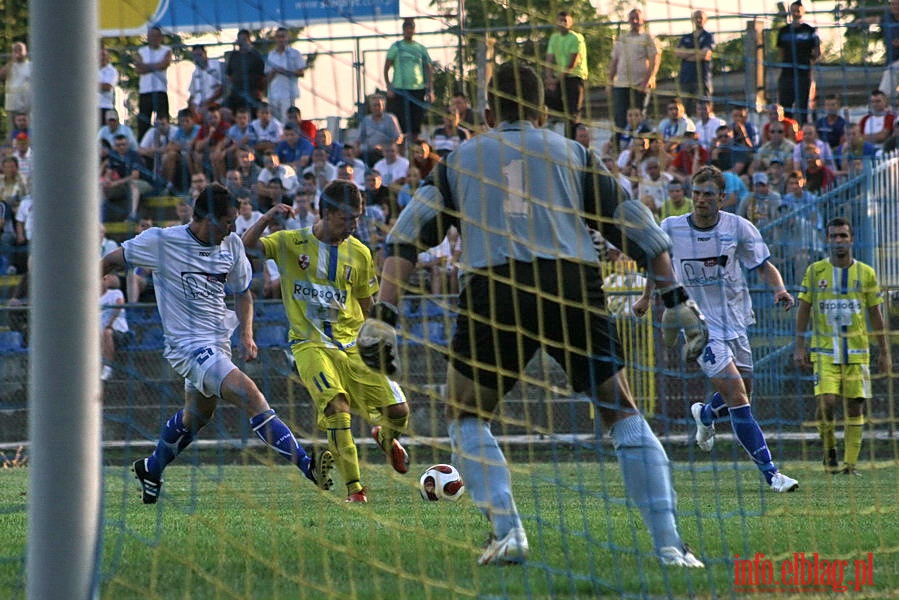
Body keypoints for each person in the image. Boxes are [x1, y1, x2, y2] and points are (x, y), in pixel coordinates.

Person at [362, 61, 708, 567]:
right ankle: (670, 546)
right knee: (620, 410)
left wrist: (385, 314)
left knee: (465, 413)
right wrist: (675, 299)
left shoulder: (458, 161)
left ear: (486, 111)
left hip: (494, 284)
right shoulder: (574, 153)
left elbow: (405, 239)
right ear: (545, 111)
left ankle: (508, 533)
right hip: (572, 282)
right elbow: (638, 226)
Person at [100, 184, 334, 504]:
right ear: (207, 219)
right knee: (251, 395)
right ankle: (309, 466)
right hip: (185, 345)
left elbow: (243, 294)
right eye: (227, 221)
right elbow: (110, 260)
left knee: (196, 416)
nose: (232, 228)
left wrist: (247, 335)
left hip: (217, 343)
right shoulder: (162, 241)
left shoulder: (232, 245)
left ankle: (151, 468)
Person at [242, 180, 411, 503]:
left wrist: (378, 339)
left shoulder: (359, 253)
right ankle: (355, 490)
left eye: (357, 218)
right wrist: (266, 219)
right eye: (347, 218)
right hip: (311, 345)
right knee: (337, 407)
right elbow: (247, 247)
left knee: (398, 410)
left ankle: (386, 439)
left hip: (352, 345)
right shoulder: (292, 242)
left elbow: (365, 303)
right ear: (327, 213)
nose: (354, 225)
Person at [634, 165, 799, 494]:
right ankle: (772, 474)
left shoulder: (738, 227)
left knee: (743, 393)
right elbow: (657, 261)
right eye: (696, 192)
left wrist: (779, 289)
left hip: (736, 320)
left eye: (708, 194)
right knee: (738, 395)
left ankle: (707, 415)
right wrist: (646, 297)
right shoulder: (671, 227)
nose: (700, 199)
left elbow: (763, 265)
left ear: (722, 197)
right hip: (699, 325)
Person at [793, 217, 890, 476]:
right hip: (824, 352)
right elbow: (804, 308)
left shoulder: (866, 273)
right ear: (827, 240)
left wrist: (884, 351)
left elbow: (876, 314)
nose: (838, 241)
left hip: (857, 352)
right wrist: (799, 347)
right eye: (834, 236)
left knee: (856, 405)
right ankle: (829, 450)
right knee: (826, 402)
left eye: (843, 236)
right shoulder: (815, 271)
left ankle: (849, 464)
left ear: (851, 239)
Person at [608, 8, 660, 140]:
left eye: (637, 18)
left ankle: (639, 146)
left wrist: (648, 80)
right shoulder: (621, 38)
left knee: (638, 117)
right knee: (620, 117)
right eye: (632, 18)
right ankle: (620, 146)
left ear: (643, 20)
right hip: (621, 84)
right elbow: (614, 61)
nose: (635, 21)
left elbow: (655, 60)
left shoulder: (648, 37)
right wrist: (609, 81)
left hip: (639, 84)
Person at [383, 18, 433, 138]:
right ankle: (402, 150)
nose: (409, 31)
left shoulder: (420, 48)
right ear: (403, 30)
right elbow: (386, 68)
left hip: (417, 89)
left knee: (416, 123)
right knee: (402, 125)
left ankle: (415, 150)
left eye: (411, 28)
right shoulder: (396, 47)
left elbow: (429, 69)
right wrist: (389, 86)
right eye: (407, 28)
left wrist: (431, 90)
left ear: (414, 30)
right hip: (400, 89)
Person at [544, 11, 588, 138]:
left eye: (565, 21)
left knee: (572, 115)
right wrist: (549, 78)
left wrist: (555, 80)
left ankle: (571, 141)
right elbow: (549, 59)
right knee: (547, 98)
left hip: (574, 77)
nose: (562, 23)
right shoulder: (554, 38)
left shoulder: (576, 38)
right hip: (559, 79)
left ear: (571, 22)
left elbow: (571, 64)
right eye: (560, 20)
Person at [776, 1, 820, 122]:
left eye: (798, 11)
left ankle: (803, 130)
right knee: (786, 105)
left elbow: (817, 52)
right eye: (793, 10)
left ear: (803, 12)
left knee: (803, 105)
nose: (795, 13)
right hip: (787, 74)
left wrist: (808, 63)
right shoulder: (784, 31)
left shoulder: (810, 31)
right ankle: (788, 130)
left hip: (804, 74)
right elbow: (781, 51)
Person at [134, 26, 172, 141]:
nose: (154, 39)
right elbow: (138, 69)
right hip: (145, 92)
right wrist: (156, 66)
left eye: (157, 36)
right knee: (143, 124)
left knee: (163, 122)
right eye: (152, 36)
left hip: (160, 91)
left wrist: (146, 66)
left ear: (161, 37)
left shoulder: (166, 50)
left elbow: (164, 64)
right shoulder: (141, 51)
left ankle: (166, 144)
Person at [674, 10, 715, 116]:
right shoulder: (686, 37)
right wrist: (696, 52)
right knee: (685, 106)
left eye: (700, 17)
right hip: (686, 77)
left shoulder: (708, 36)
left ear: (706, 20)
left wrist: (687, 54)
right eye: (696, 17)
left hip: (702, 77)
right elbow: (678, 53)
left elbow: (705, 54)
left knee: (704, 106)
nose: (698, 20)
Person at [266, 27, 306, 124]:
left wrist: (286, 71)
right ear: (275, 38)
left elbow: (301, 73)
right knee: (274, 122)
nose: (281, 39)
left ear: (288, 38)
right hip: (273, 94)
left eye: (283, 37)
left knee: (287, 121)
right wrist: (274, 72)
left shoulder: (295, 54)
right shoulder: (271, 55)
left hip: (288, 94)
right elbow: (267, 77)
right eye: (278, 37)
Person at [225, 30, 266, 117]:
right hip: (236, 93)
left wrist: (260, 90)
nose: (241, 42)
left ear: (249, 40)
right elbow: (229, 74)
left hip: (252, 93)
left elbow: (262, 76)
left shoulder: (256, 56)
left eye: (244, 39)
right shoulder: (233, 55)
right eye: (239, 39)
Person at [356, 93, 403, 166]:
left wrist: (384, 147)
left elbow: (399, 138)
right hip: (368, 152)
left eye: (379, 105)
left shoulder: (390, 119)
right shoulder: (365, 120)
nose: (377, 108)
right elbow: (359, 140)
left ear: (383, 106)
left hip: (386, 152)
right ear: (370, 107)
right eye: (374, 105)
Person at [100, 273, 130, 382]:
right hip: (99, 334)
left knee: (107, 332)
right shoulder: (91, 299)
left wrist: (109, 323)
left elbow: (119, 304)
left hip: (119, 333)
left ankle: (107, 368)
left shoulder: (115, 293)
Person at [0, 42, 31, 131]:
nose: (18, 52)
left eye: (20, 50)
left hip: (28, 105)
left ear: (26, 51)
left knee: (31, 132)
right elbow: (1, 76)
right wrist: (12, 62)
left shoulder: (31, 66)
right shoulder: (9, 66)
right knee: (12, 133)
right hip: (13, 105)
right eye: (15, 50)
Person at [187, 45, 224, 119]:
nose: (198, 58)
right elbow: (192, 94)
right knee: (185, 115)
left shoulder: (216, 66)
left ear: (205, 54)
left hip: (213, 103)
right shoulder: (195, 72)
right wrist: (190, 106)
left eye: (200, 55)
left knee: (204, 112)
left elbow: (221, 89)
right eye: (195, 56)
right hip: (198, 104)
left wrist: (207, 102)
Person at [98, 47, 119, 127]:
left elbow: (107, 87)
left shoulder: (112, 71)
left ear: (108, 57)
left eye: (103, 55)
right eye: (99, 55)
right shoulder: (89, 68)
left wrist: (89, 85)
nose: (101, 57)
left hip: (105, 107)